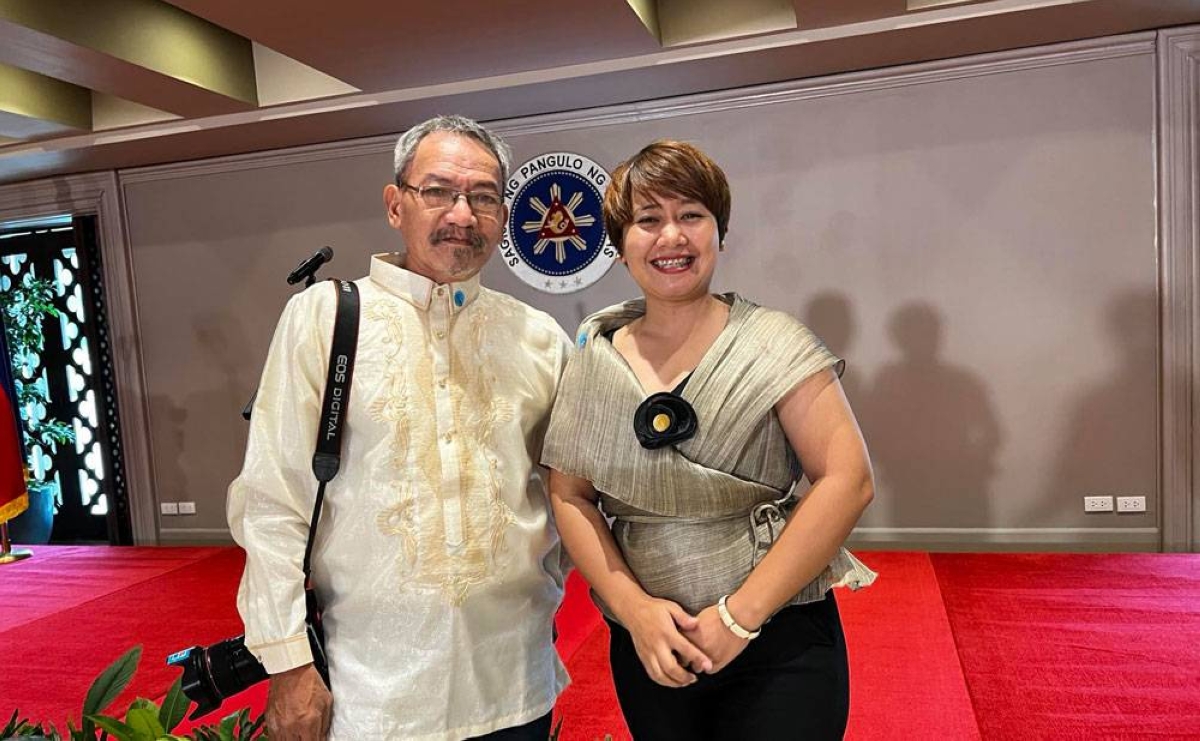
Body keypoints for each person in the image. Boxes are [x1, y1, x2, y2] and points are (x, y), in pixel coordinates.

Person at [228, 115, 572, 741]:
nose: (462, 215)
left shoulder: (540, 338)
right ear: (396, 205)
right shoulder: (324, 319)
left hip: (513, 684)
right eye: (438, 191)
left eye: (484, 197)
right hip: (371, 695)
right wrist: (287, 663)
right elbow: (272, 502)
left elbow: (572, 498)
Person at [542, 140, 877, 740]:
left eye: (691, 214)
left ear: (719, 232)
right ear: (620, 246)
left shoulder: (775, 342)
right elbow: (569, 495)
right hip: (653, 642)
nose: (672, 236)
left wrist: (738, 618)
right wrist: (633, 611)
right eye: (648, 220)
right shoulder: (593, 360)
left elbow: (847, 480)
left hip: (781, 632)